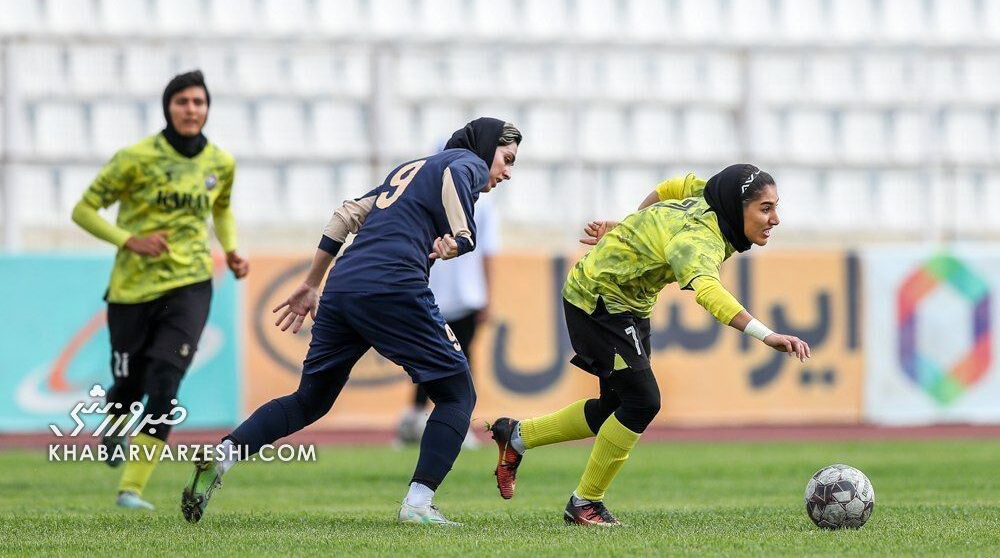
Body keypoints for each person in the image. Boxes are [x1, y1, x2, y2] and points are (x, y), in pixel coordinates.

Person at [181, 118, 522, 526]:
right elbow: (456, 178)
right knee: (457, 395)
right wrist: (463, 237)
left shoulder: (409, 170)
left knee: (310, 400)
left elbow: (344, 215)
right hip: (394, 284)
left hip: (343, 287)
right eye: (506, 159)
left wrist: (311, 284)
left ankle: (223, 455)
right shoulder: (464, 163)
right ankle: (417, 504)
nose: (506, 172)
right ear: (486, 147)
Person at [488, 165, 811, 526]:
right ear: (738, 208)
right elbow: (709, 292)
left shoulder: (709, 196)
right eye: (765, 209)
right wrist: (767, 335)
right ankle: (585, 504)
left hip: (628, 303)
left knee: (615, 405)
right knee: (643, 400)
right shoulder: (698, 242)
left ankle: (516, 435)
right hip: (598, 299)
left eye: (775, 207)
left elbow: (675, 185)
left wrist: (628, 230)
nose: (775, 219)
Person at [71, 70, 249, 510]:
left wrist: (229, 250)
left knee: (166, 383)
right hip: (132, 289)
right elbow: (83, 210)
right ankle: (115, 420)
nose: (192, 110)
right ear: (168, 107)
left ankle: (131, 490)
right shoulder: (134, 158)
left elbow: (222, 209)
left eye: (199, 102)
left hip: (191, 282)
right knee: (128, 386)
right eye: (183, 101)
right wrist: (128, 240)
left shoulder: (220, 163)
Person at [396, 194, 498, 449]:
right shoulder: (433, 198)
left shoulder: (480, 203)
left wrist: (487, 295)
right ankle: (421, 418)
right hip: (435, 292)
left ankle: (454, 422)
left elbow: (487, 249)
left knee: (458, 359)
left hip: (463, 295)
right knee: (435, 358)